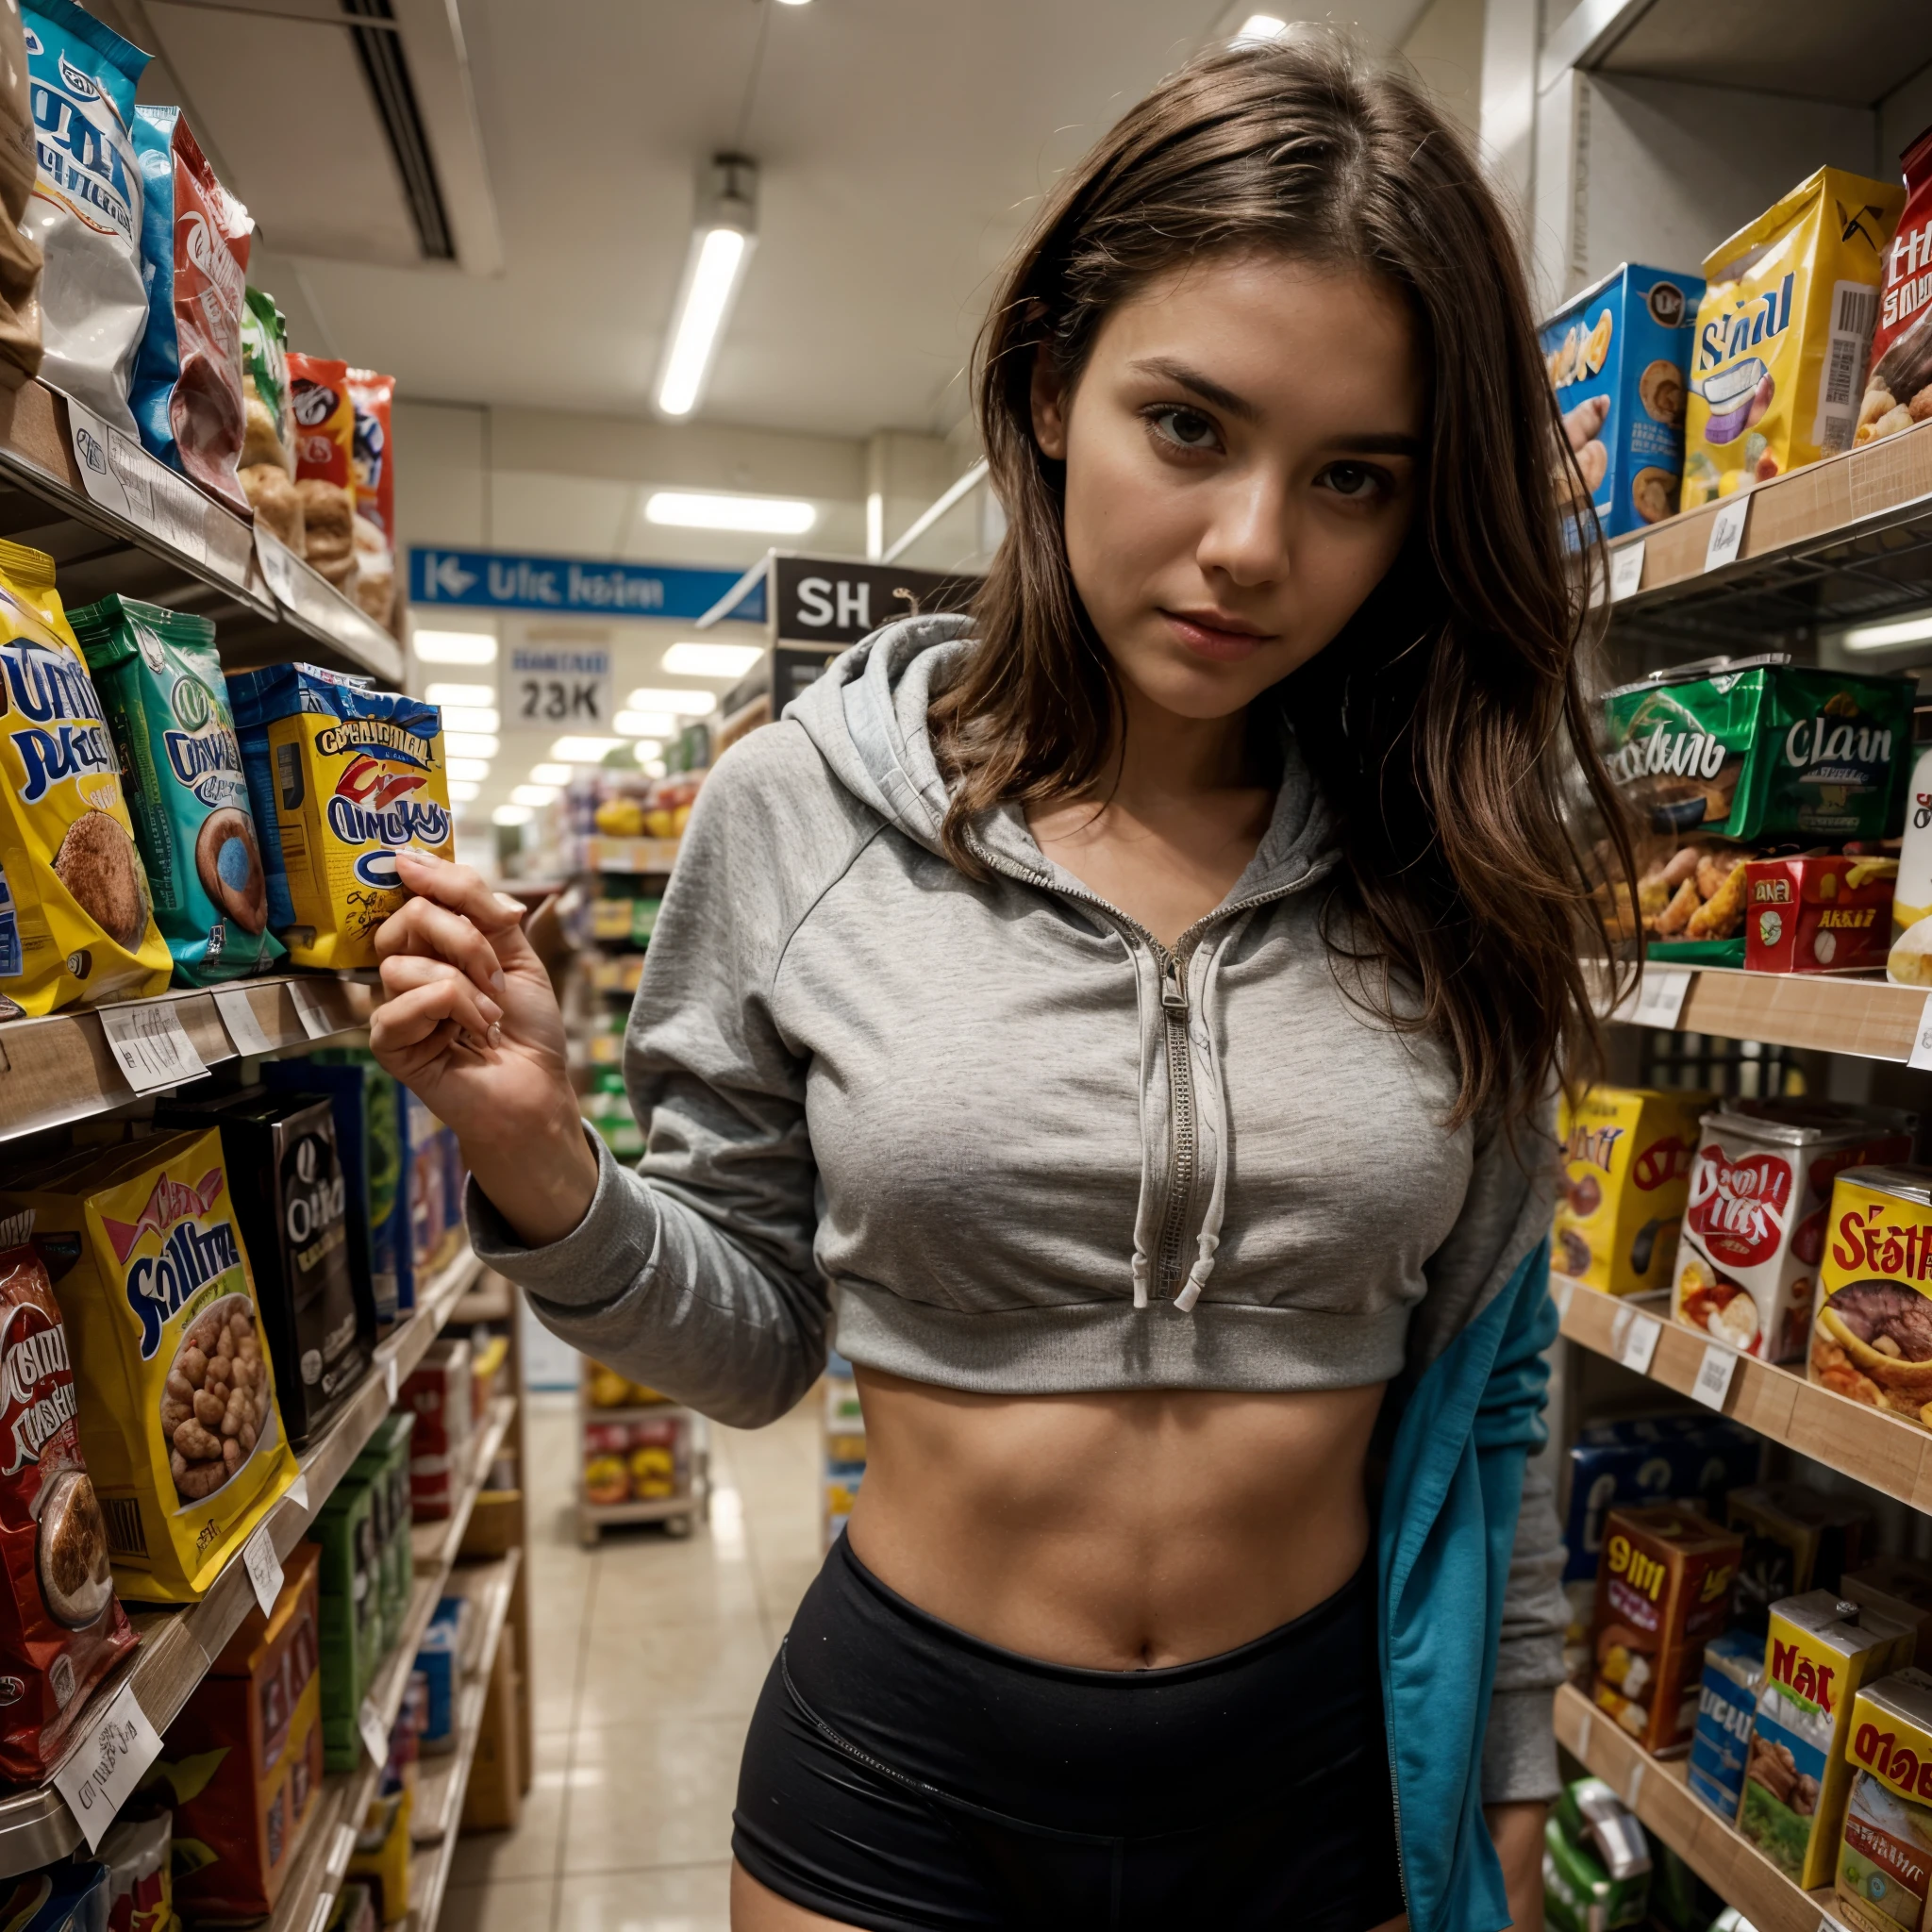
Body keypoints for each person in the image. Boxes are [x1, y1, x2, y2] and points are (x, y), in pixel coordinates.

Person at [370, 31, 1632, 1932]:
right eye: (1188, 425)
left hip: (1329, 1776)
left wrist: (1512, 1793)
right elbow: (756, 1346)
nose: (1250, 547)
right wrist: (551, 1165)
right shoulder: (797, 815)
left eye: (1353, 477)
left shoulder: (1453, 865)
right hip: (904, 1777)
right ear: (1052, 388)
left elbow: (1492, 1390)